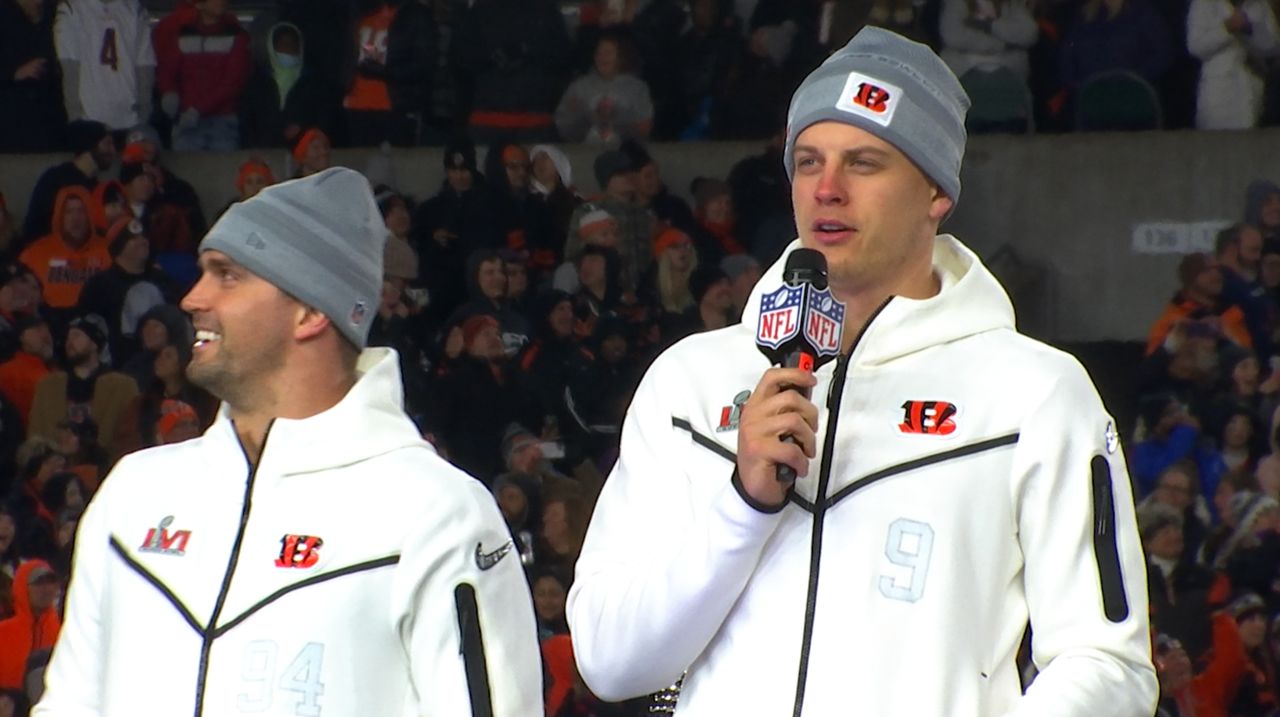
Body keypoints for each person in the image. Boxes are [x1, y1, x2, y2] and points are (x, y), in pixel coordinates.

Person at [566, 27, 1157, 715]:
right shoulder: (689, 382)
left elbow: (1110, 664)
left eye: (865, 163)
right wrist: (742, 504)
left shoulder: (1034, 393)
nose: (828, 190)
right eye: (809, 161)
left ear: (936, 190)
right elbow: (609, 659)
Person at [34, 167, 542, 716]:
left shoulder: (437, 512)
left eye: (225, 275)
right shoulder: (134, 493)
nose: (192, 298)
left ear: (310, 311)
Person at [154, 0, 252, 151]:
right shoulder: (182, 33)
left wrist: (197, 110)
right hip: (186, 122)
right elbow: (167, 70)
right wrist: (169, 92)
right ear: (199, 4)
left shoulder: (236, 34)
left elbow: (233, 82)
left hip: (222, 122)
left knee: (222, 172)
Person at [53, 0, 156, 131]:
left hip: (130, 119)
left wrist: (143, 116)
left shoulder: (135, 10)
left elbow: (145, 67)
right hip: (89, 120)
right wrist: (77, 119)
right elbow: (70, 70)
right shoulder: (72, 10)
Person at [21, 120, 114, 245]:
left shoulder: (96, 184)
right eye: (107, 144)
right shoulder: (55, 179)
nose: (113, 151)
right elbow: (36, 227)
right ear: (90, 145)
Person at [0, 0, 66, 153]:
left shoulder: (54, 14)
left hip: (49, 112)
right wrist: (13, 73)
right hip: (12, 113)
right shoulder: (4, 12)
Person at [0, 561, 60, 692]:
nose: (46, 589)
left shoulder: (63, 634)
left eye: (50, 582)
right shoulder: (3, 633)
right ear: (22, 587)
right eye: (38, 583)